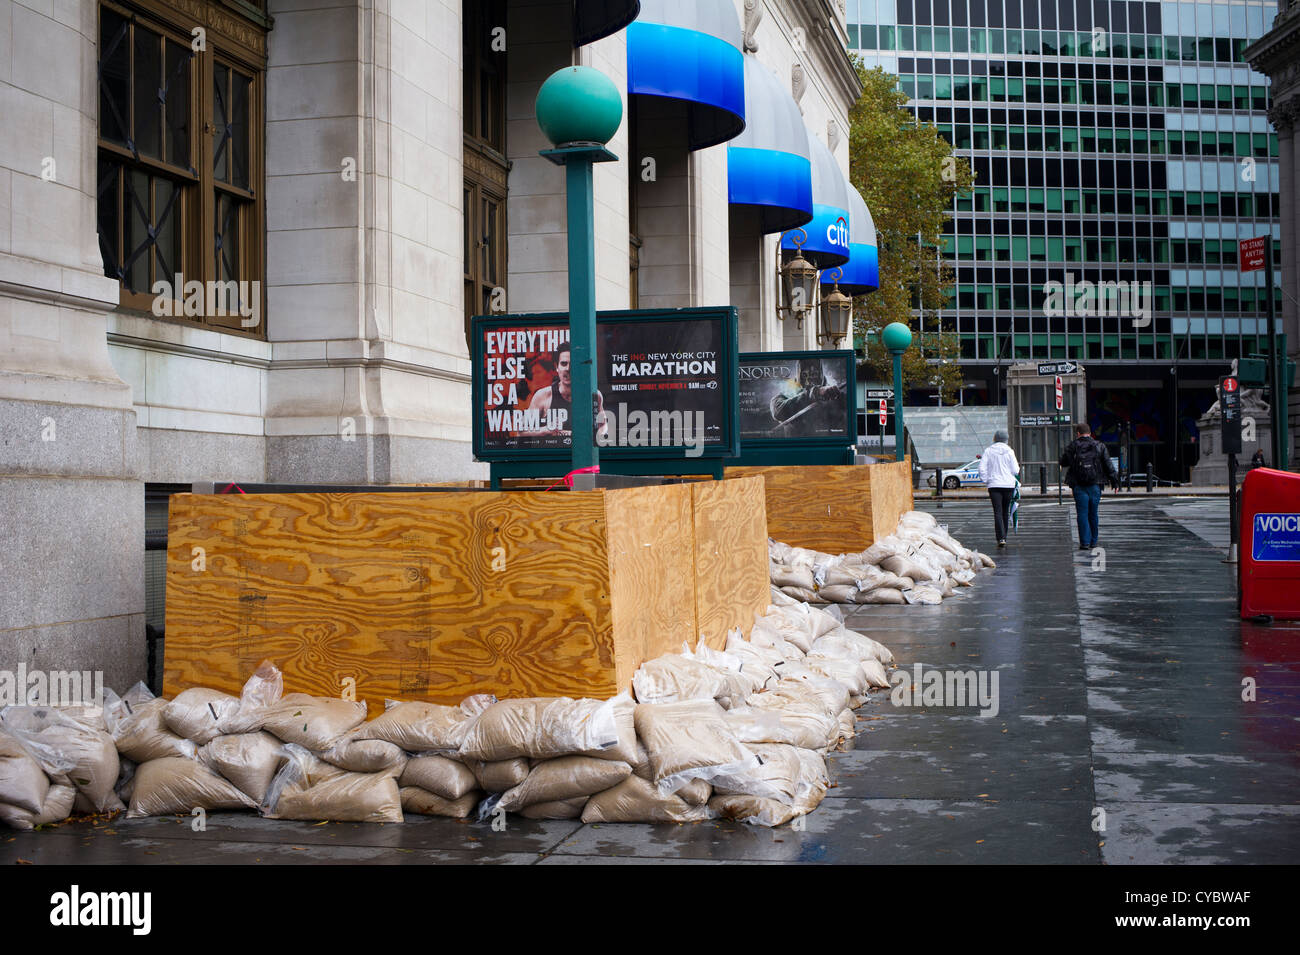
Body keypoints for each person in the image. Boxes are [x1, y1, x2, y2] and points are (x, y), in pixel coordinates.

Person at [1060, 422, 1115, 551]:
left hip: (1079, 485)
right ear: (1090, 433)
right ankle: (1093, 541)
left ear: (1078, 433)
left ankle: (1084, 542)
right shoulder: (1099, 446)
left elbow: (1063, 461)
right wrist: (1115, 481)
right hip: (1095, 484)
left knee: (1082, 514)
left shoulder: (1073, 446)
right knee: (1093, 513)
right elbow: (1108, 464)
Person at [978, 430, 1020, 548]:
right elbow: (1016, 469)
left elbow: (982, 468)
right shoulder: (1010, 451)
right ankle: (1004, 536)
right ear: (1006, 439)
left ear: (995, 438)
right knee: (1005, 511)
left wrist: (986, 480)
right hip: (1008, 485)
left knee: (997, 512)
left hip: (994, 485)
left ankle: (1000, 537)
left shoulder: (988, 451)